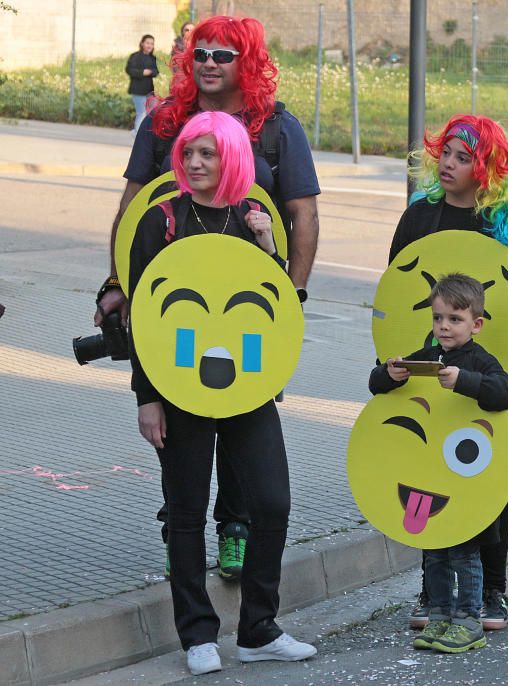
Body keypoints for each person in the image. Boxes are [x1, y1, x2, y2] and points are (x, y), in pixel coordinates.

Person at [98, 15, 322, 581]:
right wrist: (117, 285)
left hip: (249, 306)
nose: (211, 63)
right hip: (174, 305)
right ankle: (183, 514)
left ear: (245, 60)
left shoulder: (277, 128)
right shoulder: (163, 123)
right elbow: (130, 211)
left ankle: (235, 526)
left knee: (245, 410)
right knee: (175, 415)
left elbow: (302, 212)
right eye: (202, 53)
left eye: (224, 54)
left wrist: (290, 292)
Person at [129, 111, 316, 675]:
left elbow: (273, 310)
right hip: (178, 384)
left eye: (207, 154)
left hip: (247, 387)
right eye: (188, 153)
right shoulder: (160, 221)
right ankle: (197, 635)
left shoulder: (252, 220)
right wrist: (146, 396)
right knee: (184, 514)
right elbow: (145, 318)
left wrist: (268, 248)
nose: (194, 163)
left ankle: (258, 628)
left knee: (271, 502)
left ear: (231, 157)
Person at [391, 114, 508, 631]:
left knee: (488, 482)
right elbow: (394, 295)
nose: (449, 165)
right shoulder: (420, 218)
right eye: (446, 154)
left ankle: (493, 591)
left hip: (492, 381)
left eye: (464, 158)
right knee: (428, 475)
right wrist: (397, 365)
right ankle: (433, 591)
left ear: (487, 169)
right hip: (429, 377)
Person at [369, 274, 508, 654]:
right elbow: (376, 386)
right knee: (434, 550)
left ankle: (468, 620)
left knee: (466, 551)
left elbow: (507, 393)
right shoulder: (425, 357)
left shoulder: (482, 362)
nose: (444, 327)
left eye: (454, 319)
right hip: (430, 475)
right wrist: (389, 374)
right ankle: (439, 615)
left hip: (465, 480)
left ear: (476, 324)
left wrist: (466, 380)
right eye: (438, 318)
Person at [126, 35, 158, 134]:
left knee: (151, 113)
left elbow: (156, 71)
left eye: (152, 44)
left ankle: (145, 133)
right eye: (147, 43)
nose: (149, 45)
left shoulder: (152, 58)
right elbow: (129, 70)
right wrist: (142, 73)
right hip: (137, 90)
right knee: (141, 113)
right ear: (142, 43)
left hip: (149, 91)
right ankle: (137, 133)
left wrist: (151, 72)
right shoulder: (135, 56)